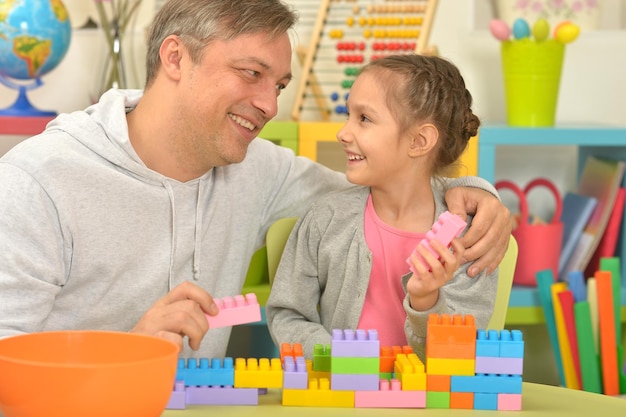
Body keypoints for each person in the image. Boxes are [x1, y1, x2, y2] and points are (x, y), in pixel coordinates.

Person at [0, 0, 511, 359]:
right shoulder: (36, 183)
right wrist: (128, 353)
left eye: (279, 84)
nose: (270, 105)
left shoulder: (257, 166)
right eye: (251, 73)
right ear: (175, 58)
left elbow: (391, 189)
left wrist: (477, 198)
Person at [267, 54, 500, 361]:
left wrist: (425, 301)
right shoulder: (325, 219)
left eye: (364, 119)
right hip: (344, 401)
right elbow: (287, 315)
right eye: (349, 115)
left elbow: (457, 357)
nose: (343, 133)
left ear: (419, 140)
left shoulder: (471, 239)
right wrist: (335, 357)